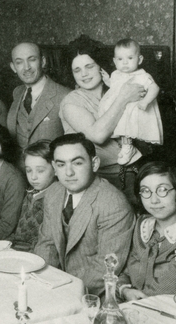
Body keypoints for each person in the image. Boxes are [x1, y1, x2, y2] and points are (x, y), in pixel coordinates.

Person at [34, 134, 134, 295]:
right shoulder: (54, 192)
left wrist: (66, 292)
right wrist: (40, 283)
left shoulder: (113, 203)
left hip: (91, 294)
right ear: (54, 167)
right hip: (54, 287)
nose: (69, 172)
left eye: (77, 163)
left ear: (94, 164)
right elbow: (46, 244)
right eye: (61, 164)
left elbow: (106, 267)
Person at [58, 37, 148, 208]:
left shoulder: (113, 91)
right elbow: (98, 135)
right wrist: (123, 98)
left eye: (89, 66)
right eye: (77, 70)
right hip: (98, 179)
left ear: (100, 66)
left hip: (132, 173)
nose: (84, 74)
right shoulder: (71, 102)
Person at [117, 162, 176, 300]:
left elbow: (172, 284)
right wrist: (124, 290)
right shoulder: (142, 225)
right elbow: (125, 270)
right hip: (136, 304)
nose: (154, 200)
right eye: (146, 191)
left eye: (162, 190)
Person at [97, 38, 163, 167]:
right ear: (115, 61)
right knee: (113, 126)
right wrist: (107, 81)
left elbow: (155, 88)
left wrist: (145, 101)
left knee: (126, 128)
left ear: (139, 59)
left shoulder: (142, 75)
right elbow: (115, 86)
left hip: (133, 109)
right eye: (120, 59)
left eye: (130, 58)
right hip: (119, 107)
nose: (125, 63)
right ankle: (124, 146)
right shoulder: (116, 74)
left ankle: (128, 148)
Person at [5, 42, 70, 152]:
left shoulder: (66, 95)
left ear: (43, 61)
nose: (26, 67)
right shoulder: (17, 93)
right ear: (13, 67)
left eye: (32, 59)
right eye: (19, 62)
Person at [11, 140, 56, 252]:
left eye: (40, 171)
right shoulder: (31, 192)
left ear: (55, 169)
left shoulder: (56, 197)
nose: (33, 177)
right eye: (28, 170)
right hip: (18, 247)